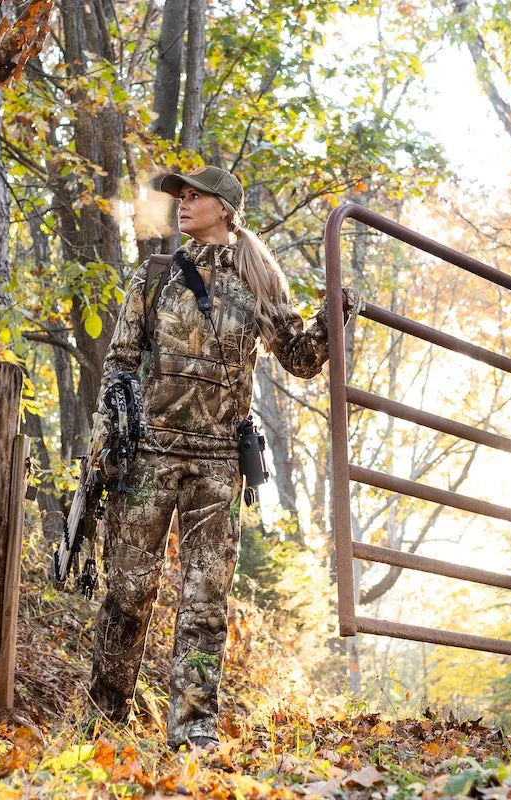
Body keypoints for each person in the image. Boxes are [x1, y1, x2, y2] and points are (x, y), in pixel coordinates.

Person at [86, 164, 361, 750]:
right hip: (149, 457)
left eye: (194, 196)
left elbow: (302, 359)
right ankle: (104, 721)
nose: (182, 205)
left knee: (204, 603)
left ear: (225, 207)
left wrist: (332, 315)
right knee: (129, 591)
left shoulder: (259, 280)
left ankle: (193, 731)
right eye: (178, 198)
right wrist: (110, 426)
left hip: (217, 464)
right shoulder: (156, 274)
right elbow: (120, 360)